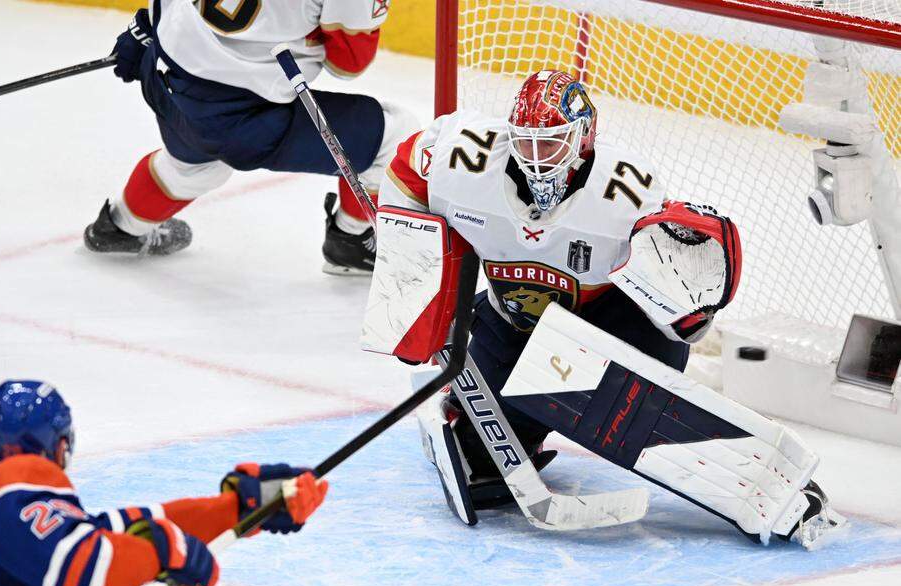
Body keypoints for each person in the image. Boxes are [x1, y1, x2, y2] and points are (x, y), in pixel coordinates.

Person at [365, 69, 841, 547]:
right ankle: (514, 423)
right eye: (523, 143)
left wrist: (689, 306)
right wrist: (412, 274)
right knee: (481, 466)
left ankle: (769, 486)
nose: (534, 158)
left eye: (549, 144)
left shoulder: (625, 198)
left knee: (637, 412)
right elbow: (406, 170)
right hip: (513, 323)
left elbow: (684, 331)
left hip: (611, 332)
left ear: (581, 140)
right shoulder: (464, 161)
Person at [0, 380, 328, 586]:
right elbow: (87, 570)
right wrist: (165, 551)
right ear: (60, 443)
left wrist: (236, 508)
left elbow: (126, 528)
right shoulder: (24, 483)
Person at [82, 0, 418, 276]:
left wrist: (144, 27)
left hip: (167, 71)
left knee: (194, 167)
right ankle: (352, 240)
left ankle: (120, 226)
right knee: (396, 137)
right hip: (240, 114)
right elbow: (347, 65)